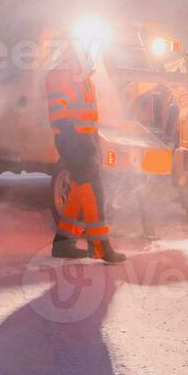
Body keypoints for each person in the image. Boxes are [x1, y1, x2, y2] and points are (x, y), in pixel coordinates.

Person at [45, 44, 126, 264]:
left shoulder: (83, 79)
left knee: (81, 191)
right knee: (93, 192)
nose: (89, 60)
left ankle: (63, 243)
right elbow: (59, 116)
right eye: (85, 55)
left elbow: (89, 116)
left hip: (86, 141)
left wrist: (93, 142)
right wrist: (77, 141)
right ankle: (100, 246)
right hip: (72, 141)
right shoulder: (59, 76)